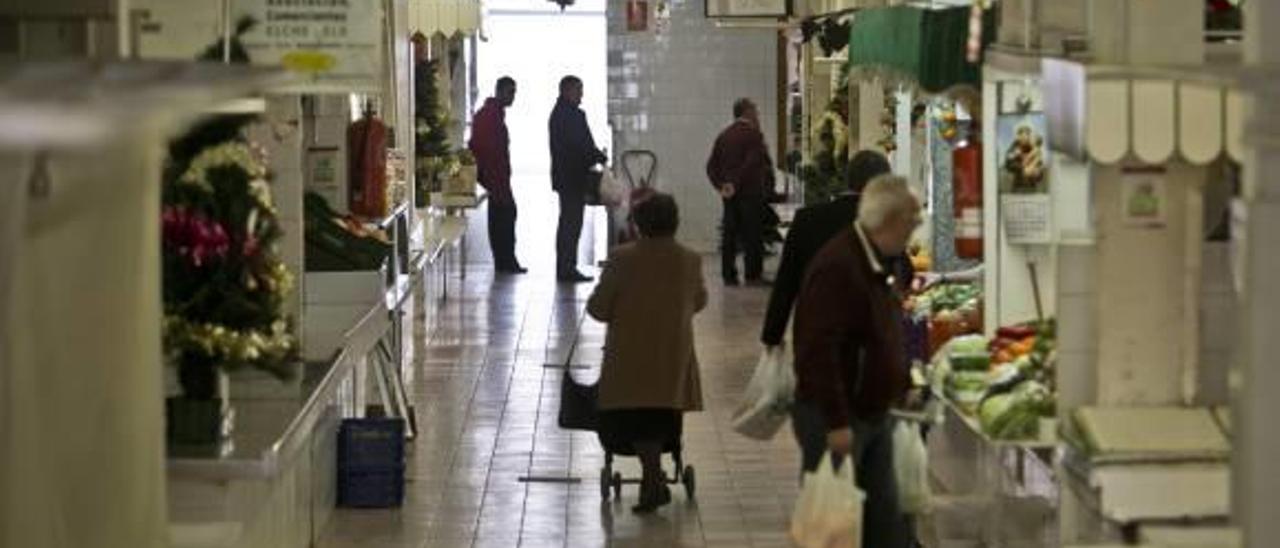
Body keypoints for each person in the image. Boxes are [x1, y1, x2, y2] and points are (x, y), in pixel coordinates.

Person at [792, 175, 922, 548]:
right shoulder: (840, 265)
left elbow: (882, 333)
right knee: (836, 529)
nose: (913, 232)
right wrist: (835, 420)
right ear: (890, 220)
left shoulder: (876, 260)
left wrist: (902, 385)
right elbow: (818, 349)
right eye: (910, 222)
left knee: (886, 523)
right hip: (838, 414)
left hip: (871, 410)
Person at [586, 192, 707, 514]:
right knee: (661, 412)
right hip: (672, 354)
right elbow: (699, 301)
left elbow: (598, 309)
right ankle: (653, 478)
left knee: (630, 413)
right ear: (676, 223)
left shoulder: (622, 258)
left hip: (628, 356)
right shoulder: (690, 259)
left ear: (638, 225)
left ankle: (652, 480)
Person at [760, 150, 892, 347]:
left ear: (848, 180)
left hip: (813, 331)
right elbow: (902, 276)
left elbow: (786, 283)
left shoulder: (807, 220)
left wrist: (772, 335)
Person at [706, 98, 775, 287]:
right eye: (755, 110)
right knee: (752, 234)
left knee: (730, 234)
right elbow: (752, 163)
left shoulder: (723, 136)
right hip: (750, 193)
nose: (758, 113)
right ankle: (753, 276)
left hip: (729, 195)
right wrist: (735, 184)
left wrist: (722, 185)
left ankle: (729, 275)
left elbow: (711, 166)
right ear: (747, 112)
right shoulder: (753, 135)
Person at [549, 75, 607, 283]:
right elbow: (580, 145)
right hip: (572, 177)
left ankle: (565, 266)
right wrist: (598, 156)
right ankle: (567, 268)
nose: (581, 95)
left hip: (566, 177)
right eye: (578, 90)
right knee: (571, 224)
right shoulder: (570, 115)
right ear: (567, 91)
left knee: (568, 222)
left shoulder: (559, 114)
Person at [469, 77, 525, 274]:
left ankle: (505, 261)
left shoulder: (492, 115)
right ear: (499, 91)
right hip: (495, 178)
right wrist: (491, 180)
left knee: (503, 218)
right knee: (505, 218)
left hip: (497, 178)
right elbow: (486, 150)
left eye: (514, 92)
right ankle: (505, 261)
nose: (513, 97)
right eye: (510, 92)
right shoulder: (489, 116)